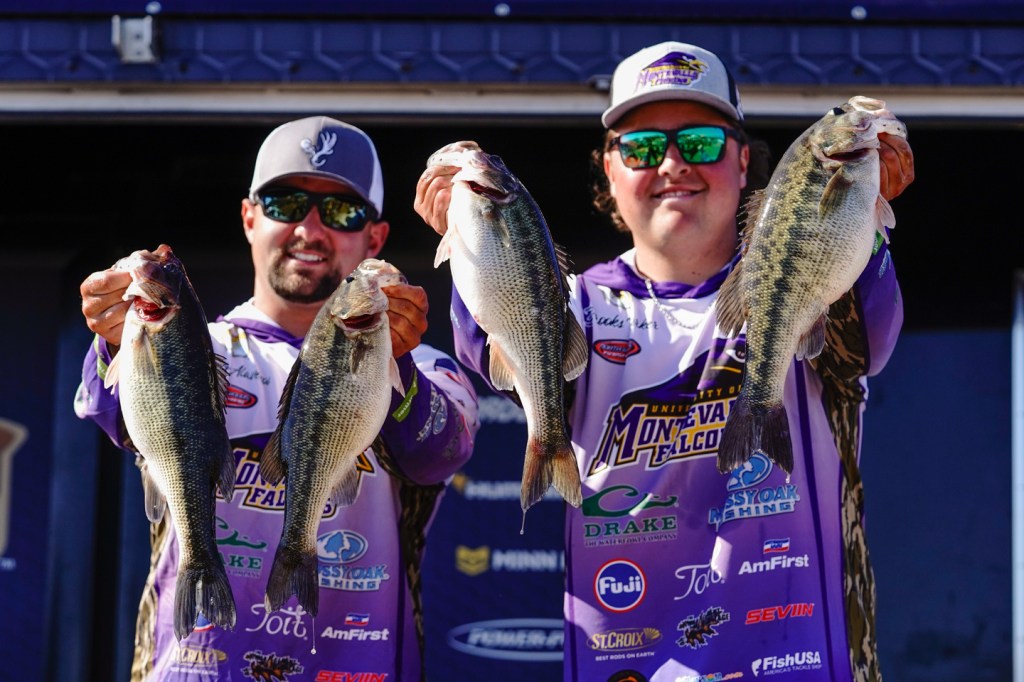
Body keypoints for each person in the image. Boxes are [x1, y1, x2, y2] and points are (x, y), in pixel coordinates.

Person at [415, 42, 914, 682]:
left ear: (743, 160)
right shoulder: (573, 306)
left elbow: (869, 339)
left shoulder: (802, 275)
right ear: (610, 170)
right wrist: (470, 238)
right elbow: (489, 354)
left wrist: (862, 215)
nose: (673, 164)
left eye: (700, 142)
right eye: (643, 147)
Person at [75, 116, 480, 681]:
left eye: (341, 211)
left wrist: (398, 364)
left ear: (375, 238)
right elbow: (108, 412)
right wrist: (115, 340)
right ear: (249, 217)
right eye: (286, 204)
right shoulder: (192, 344)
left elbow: (440, 454)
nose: (309, 229)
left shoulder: (425, 366)